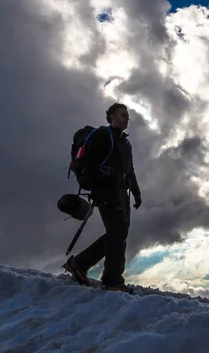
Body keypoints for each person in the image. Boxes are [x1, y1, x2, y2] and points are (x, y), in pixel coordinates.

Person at [62, 103, 142, 293]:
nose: (126, 119)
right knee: (118, 232)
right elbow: (91, 165)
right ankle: (112, 280)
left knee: (119, 233)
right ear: (111, 117)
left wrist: (137, 193)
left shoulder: (125, 142)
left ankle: (79, 263)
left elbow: (130, 170)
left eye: (127, 116)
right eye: (122, 115)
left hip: (122, 192)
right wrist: (101, 185)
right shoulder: (102, 135)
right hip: (107, 191)